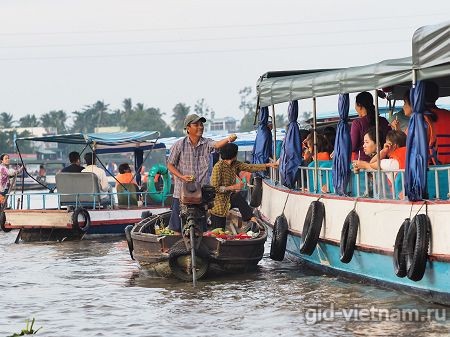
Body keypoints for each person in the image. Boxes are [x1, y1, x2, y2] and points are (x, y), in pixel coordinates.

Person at [167, 114, 237, 234]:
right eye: (196, 124)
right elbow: (170, 165)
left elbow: (216, 145)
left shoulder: (206, 143)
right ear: (188, 128)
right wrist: (181, 177)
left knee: (201, 228)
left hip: (201, 193)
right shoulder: (179, 145)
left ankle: (199, 249)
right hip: (181, 193)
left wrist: (229, 139)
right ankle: (177, 247)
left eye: (201, 124)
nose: (200, 127)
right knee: (176, 228)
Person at [209, 143, 278, 230]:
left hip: (229, 199)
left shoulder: (235, 164)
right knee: (218, 233)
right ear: (233, 154)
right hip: (218, 204)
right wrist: (233, 187)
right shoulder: (218, 167)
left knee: (238, 198)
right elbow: (215, 188)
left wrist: (268, 165)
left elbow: (250, 167)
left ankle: (251, 218)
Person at [351, 91, 390, 162]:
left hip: (363, 164)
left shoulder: (357, 123)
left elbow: (353, 146)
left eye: (355, 105)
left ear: (359, 105)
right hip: (382, 162)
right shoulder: (384, 121)